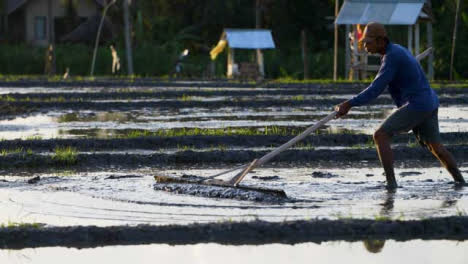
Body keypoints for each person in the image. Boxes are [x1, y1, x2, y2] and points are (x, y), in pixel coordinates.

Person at [335, 22, 465, 189]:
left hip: (418, 104)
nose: (365, 45)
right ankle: (460, 181)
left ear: (381, 41)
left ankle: (391, 183)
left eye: (368, 42)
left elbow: (375, 89)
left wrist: (349, 104)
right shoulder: (396, 52)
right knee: (436, 148)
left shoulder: (392, 57)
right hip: (429, 102)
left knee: (380, 135)